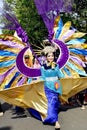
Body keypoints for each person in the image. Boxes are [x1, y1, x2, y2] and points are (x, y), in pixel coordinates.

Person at [40, 46, 64, 129]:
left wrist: (57, 69)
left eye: (52, 56)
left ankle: (52, 114)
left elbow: (61, 75)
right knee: (52, 102)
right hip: (48, 87)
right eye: (49, 56)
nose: (51, 57)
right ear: (46, 57)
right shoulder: (43, 67)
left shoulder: (56, 65)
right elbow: (42, 78)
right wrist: (34, 81)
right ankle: (55, 121)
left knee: (55, 102)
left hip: (57, 86)